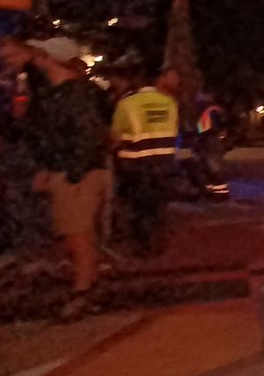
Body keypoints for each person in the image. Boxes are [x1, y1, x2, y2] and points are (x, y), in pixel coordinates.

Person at [0, 37, 111, 320]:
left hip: (78, 173)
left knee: (78, 234)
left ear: (53, 58)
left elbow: (87, 136)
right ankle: (87, 285)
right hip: (70, 170)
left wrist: (71, 173)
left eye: (42, 55)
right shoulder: (57, 92)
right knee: (72, 234)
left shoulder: (75, 93)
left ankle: (83, 293)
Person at [111, 66, 179, 256]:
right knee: (157, 205)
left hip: (136, 163)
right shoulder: (169, 102)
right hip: (163, 161)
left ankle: (142, 247)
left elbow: (115, 135)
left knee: (139, 206)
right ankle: (158, 243)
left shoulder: (127, 103)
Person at [192, 93, 230, 200]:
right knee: (209, 167)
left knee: (212, 167)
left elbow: (214, 127)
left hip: (209, 139)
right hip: (208, 139)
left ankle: (218, 194)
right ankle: (214, 192)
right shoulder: (213, 110)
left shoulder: (210, 110)